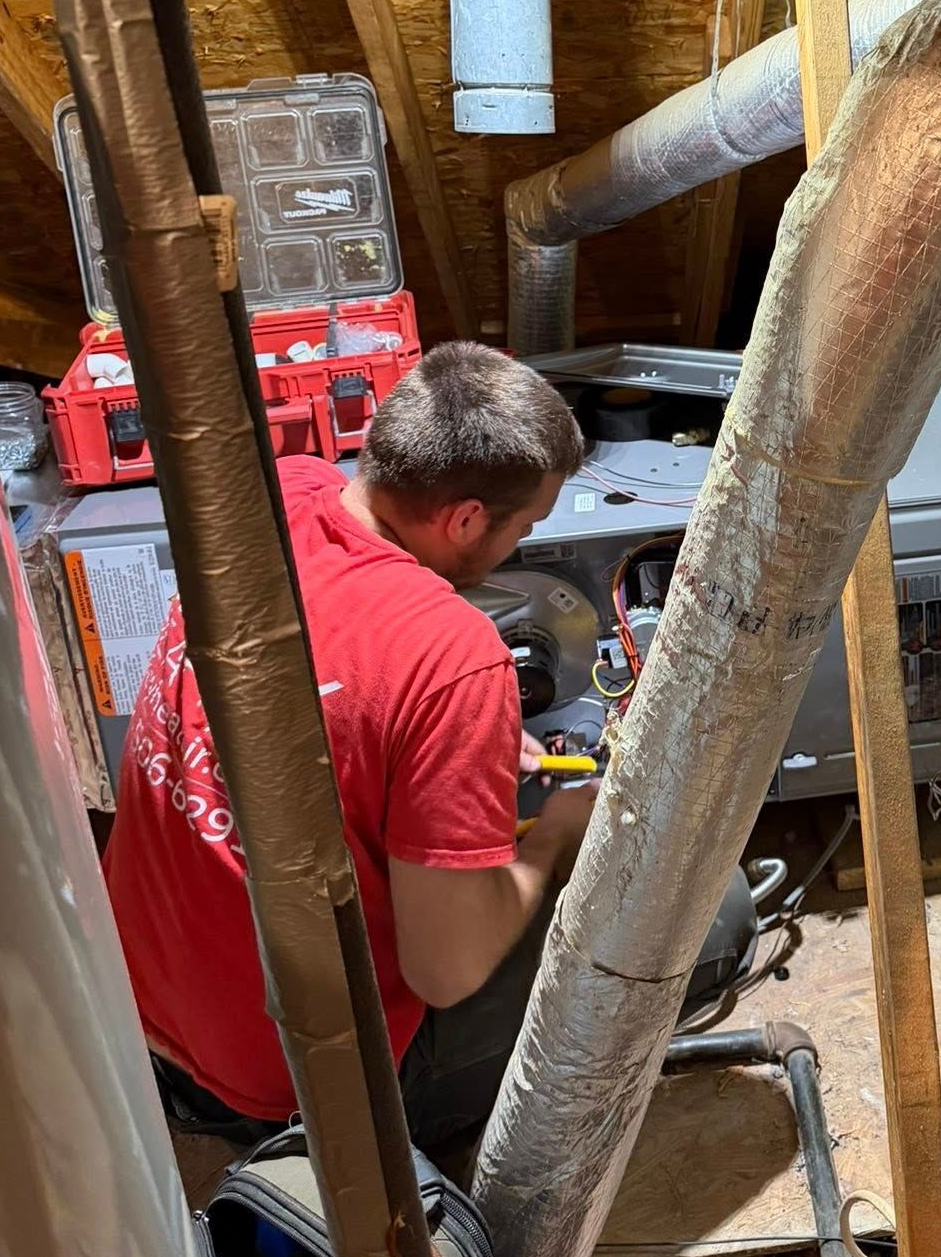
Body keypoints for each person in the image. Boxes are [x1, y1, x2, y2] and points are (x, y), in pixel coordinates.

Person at [102, 341, 591, 1154]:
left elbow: (326, 709)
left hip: (129, 1012)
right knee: (659, 914)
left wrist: (453, 765)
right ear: (466, 518)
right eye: (525, 526)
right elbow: (446, 971)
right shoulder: (452, 654)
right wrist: (555, 845)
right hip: (284, 1098)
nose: (519, 542)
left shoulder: (278, 498)